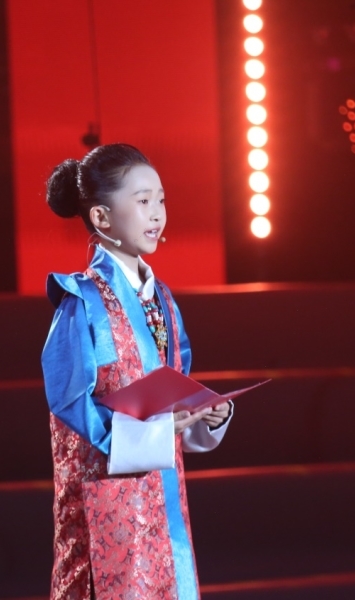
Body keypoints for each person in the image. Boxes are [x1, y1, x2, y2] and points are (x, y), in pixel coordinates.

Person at [41, 143, 233, 599]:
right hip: (107, 501)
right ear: (102, 218)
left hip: (162, 492)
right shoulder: (81, 301)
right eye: (143, 200)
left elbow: (176, 384)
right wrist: (151, 434)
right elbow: (69, 405)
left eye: (161, 199)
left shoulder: (162, 298)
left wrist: (205, 414)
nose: (157, 213)